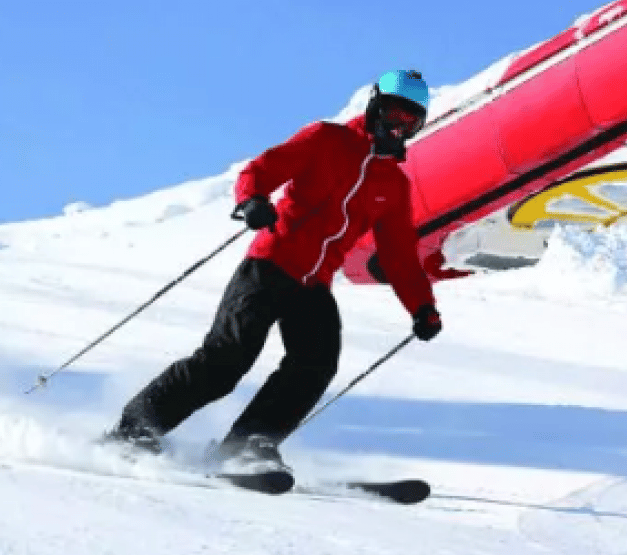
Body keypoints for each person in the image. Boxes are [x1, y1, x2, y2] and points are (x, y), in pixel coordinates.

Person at [103, 69, 444, 472]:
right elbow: (260, 170)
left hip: (314, 284)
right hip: (269, 265)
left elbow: (400, 256)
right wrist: (252, 200)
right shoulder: (325, 139)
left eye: (410, 121)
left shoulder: (394, 184)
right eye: (392, 113)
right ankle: (135, 431)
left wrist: (422, 307)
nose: (398, 127)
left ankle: (248, 445)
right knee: (226, 360)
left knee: (316, 363)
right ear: (374, 106)